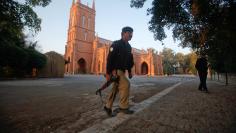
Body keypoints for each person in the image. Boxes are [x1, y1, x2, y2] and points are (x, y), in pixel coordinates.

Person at [103, 26, 134, 116]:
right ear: (123, 34)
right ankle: (123, 107)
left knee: (115, 89)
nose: (131, 35)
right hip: (116, 71)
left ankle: (108, 107)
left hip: (122, 71)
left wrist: (130, 71)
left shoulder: (128, 47)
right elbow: (110, 59)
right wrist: (108, 73)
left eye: (132, 33)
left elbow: (129, 61)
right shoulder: (116, 44)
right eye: (129, 33)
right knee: (126, 85)